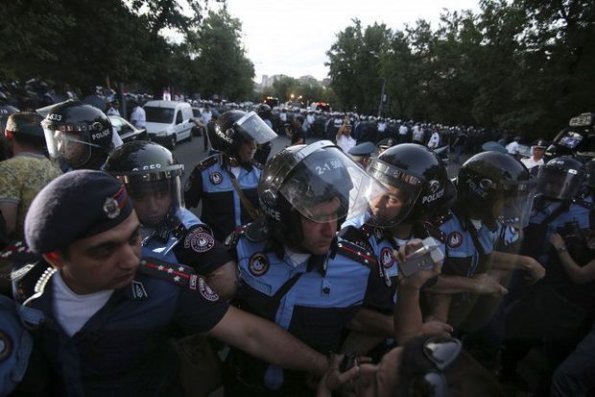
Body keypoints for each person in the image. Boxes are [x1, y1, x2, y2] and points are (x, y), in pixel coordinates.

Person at [11, 170, 329, 396]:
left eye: (134, 237)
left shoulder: (165, 284)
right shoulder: (21, 285)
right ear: (55, 257)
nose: (131, 260)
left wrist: (325, 366)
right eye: (104, 250)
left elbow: (250, 333)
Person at [224, 140, 386, 396]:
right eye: (317, 217)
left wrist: (342, 362)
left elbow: (381, 325)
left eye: (336, 214)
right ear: (282, 214)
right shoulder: (242, 246)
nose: (331, 230)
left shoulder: (361, 269)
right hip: (241, 385)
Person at [104, 140, 237, 299]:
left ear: (172, 192)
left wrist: (172, 308)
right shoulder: (103, 223)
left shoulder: (184, 229)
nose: (153, 206)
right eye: (140, 196)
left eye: (161, 194)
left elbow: (227, 279)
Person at [184, 110, 277, 242]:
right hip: (217, 251)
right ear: (231, 142)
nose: (253, 146)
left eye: (254, 140)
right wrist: (199, 239)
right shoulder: (204, 172)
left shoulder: (259, 172)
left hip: (250, 248)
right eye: (247, 141)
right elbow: (182, 210)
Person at [0, 112, 62, 242]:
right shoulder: (55, 168)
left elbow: (7, 226)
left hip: (25, 255)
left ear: (9, 134)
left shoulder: (6, 169)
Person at [41, 100, 116, 171]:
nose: (60, 149)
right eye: (58, 140)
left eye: (69, 142)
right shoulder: (63, 169)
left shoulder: (110, 178)